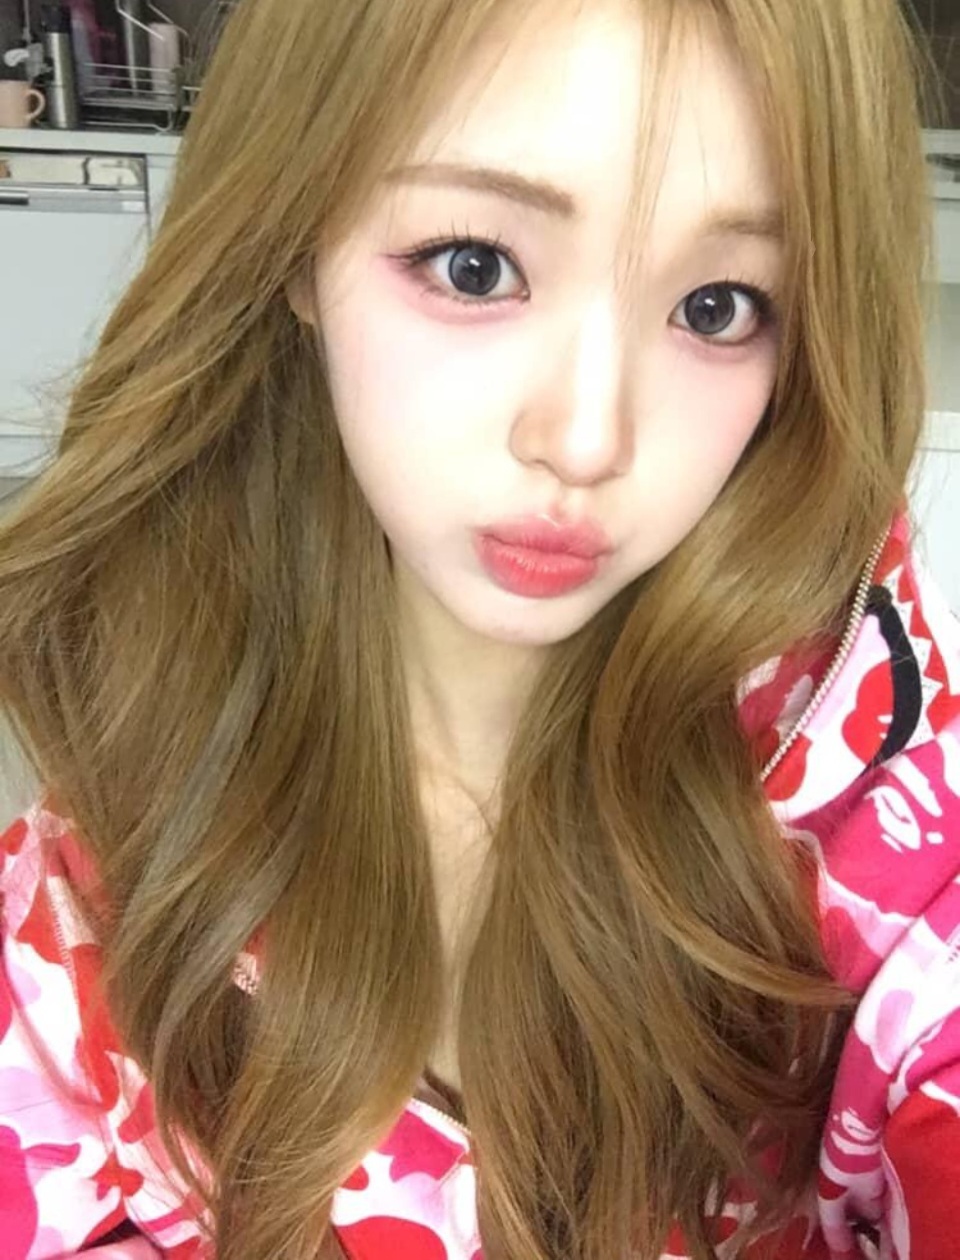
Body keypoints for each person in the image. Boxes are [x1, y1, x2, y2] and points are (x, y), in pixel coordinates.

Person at [0, 0, 957, 1256]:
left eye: (719, 306)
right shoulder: (110, 859)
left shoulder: (880, 807)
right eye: (474, 266)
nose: (587, 439)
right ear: (296, 241)